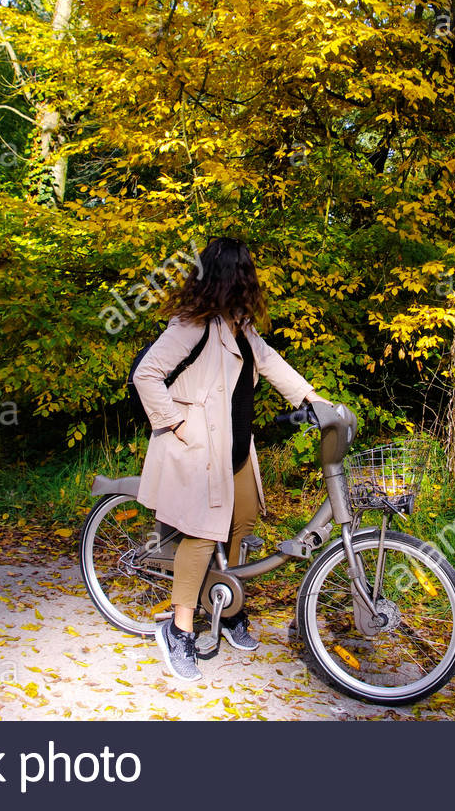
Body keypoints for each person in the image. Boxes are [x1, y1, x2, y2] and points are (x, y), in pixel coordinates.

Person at [132, 236, 325, 682]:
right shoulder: (192, 324)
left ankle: (225, 600)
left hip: (234, 449)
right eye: (244, 271)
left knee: (243, 521)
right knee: (202, 534)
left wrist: (313, 398)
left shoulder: (238, 323)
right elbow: (147, 374)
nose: (248, 279)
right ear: (231, 276)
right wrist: (175, 423)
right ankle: (179, 631)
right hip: (198, 449)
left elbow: (271, 362)